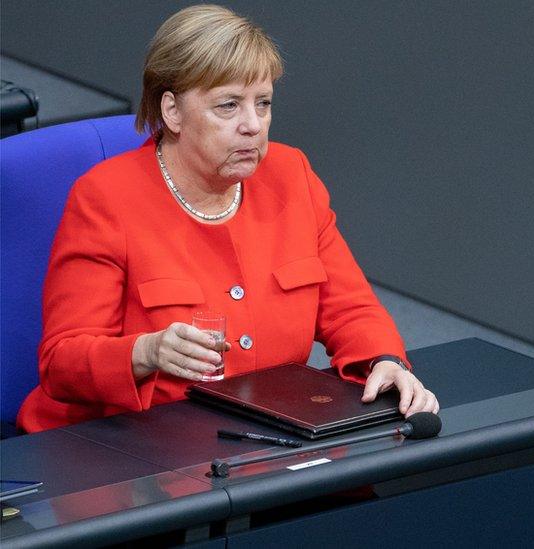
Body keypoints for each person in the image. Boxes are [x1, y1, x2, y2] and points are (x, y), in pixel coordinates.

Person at [16, 4, 438, 432]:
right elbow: (62, 361)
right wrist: (145, 352)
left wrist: (384, 359)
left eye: (264, 103)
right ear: (172, 111)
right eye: (229, 106)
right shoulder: (106, 198)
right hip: (126, 443)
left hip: (264, 435)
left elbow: (349, 308)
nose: (253, 125)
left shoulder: (292, 176)